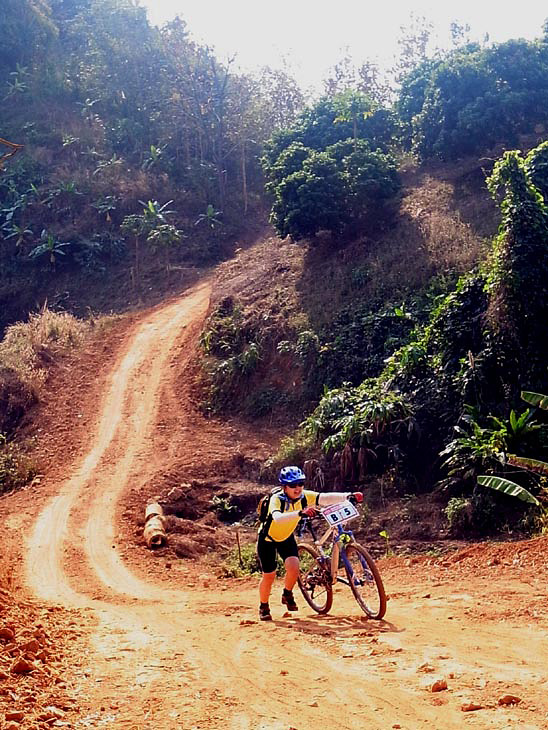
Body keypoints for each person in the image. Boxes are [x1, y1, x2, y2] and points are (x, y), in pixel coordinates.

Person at [257, 465, 363, 621]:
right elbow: (278, 518)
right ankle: (264, 606)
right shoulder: (276, 499)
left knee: (294, 568)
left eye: (300, 484)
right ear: (284, 487)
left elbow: (324, 498)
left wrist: (348, 496)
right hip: (267, 540)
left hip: (286, 537)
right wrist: (300, 513)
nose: (298, 488)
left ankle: (287, 593)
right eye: (293, 485)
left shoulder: (304, 496)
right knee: (269, 575)